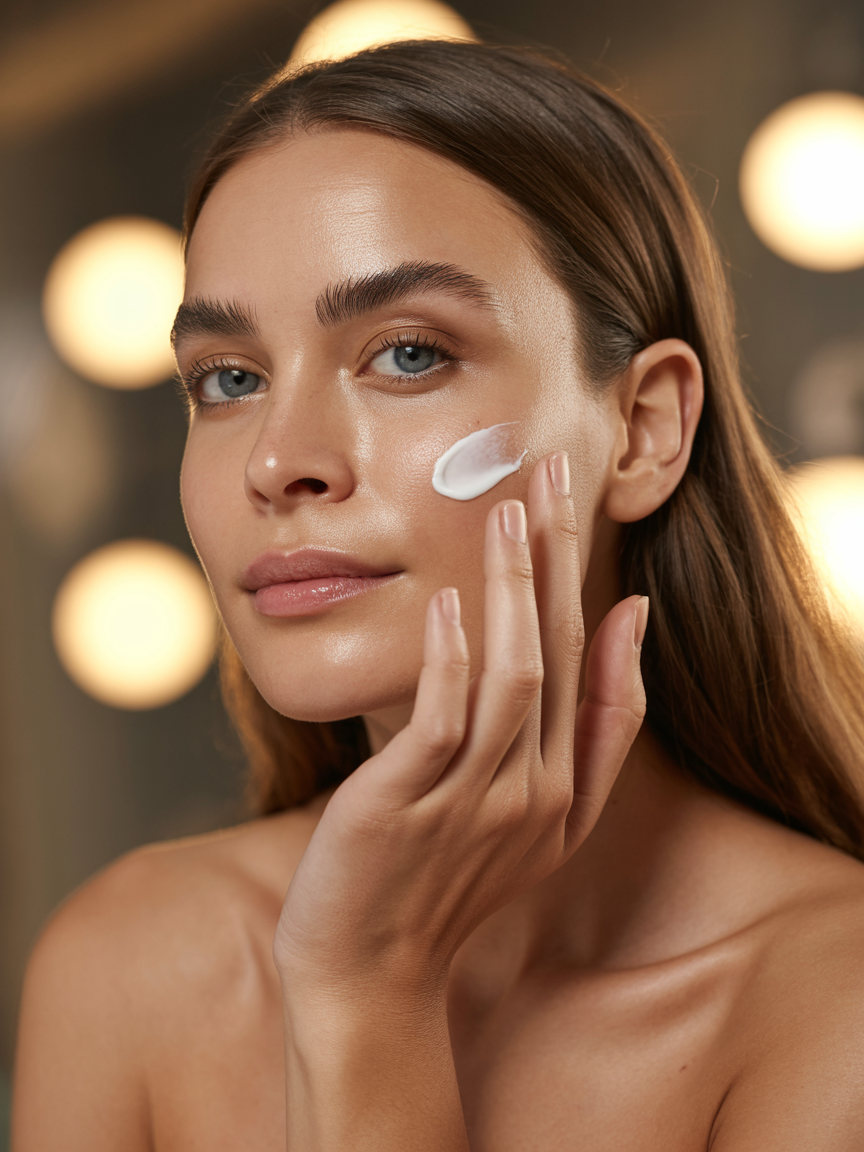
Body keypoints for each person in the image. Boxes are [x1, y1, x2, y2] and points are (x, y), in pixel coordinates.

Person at [12, 39, 864, 1151]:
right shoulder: (130, 961)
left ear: (644, 428)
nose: (280, 461)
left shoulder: (830, 1003)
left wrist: (369, 995)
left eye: (407, 355)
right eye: (230, 378)